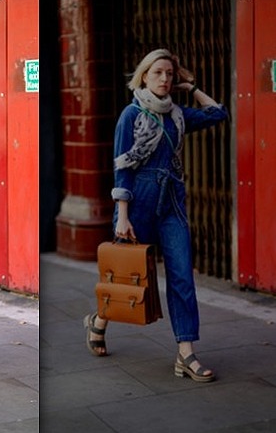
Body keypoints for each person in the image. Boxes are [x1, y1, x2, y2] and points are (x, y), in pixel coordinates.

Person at [84, 48, 228, 382]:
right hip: (138, 201)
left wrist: (190, 88)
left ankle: (186, 354)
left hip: (172, 202)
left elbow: (219, 113)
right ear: (144, 75)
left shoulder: (178, 115)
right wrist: (122, 215)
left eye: (170, 75)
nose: (165, 79)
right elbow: (122, 168)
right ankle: (99, 320)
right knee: (124, 276)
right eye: (158, 73)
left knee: (181, 277)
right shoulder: (131, 115)